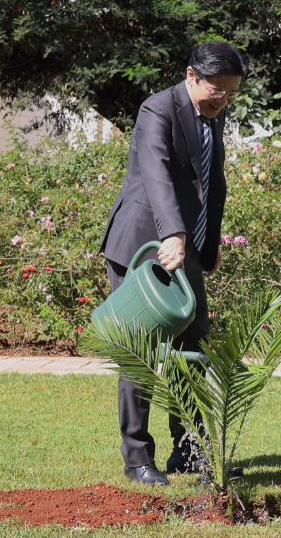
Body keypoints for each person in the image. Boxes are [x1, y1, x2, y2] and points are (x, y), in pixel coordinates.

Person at [99, 42, 248, 485]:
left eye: (232, 93)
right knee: (140, 354)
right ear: (191, 75)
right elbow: (157, 173)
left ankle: (188, 452)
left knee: (193, 349)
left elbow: (212, 181)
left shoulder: (210, 116)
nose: (224, 99)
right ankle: (138, 458)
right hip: (143, 251)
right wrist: (174, 235)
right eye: (217, 90)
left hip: (188, 250)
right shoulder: (157, 110)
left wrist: (210, 240)